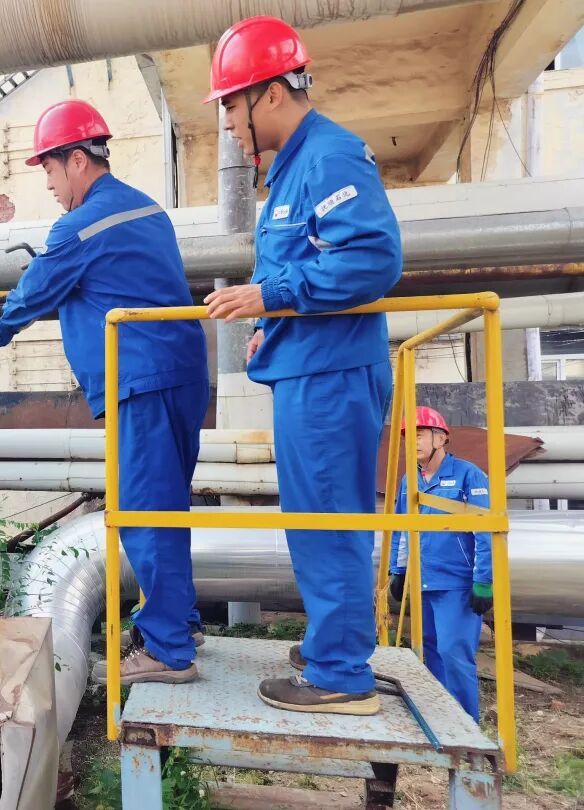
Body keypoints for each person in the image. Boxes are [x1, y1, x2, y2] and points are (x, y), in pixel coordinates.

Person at [202, 16, 402, 714]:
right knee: (315, 518)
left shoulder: (329, 156)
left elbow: (372, 260)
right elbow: (311, 268)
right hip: (311, 368)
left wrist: (272, 295)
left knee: (328, 520)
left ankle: (340, 674)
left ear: (270, 93)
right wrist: (270, 326)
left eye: (231, 104)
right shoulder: (292, 167)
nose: (228, 122)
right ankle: (332, 643)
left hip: (332, 376)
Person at [0, 100, 210, 684]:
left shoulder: (80, 225)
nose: (50, 185)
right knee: (166, 507)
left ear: (77, 160)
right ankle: (178, 624)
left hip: (141, 380)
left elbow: (36, 290)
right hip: (179, 374)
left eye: (49, 169)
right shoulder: (147, 209)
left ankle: (168, 651)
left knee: (145, 512)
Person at [388, 406, 492, 723]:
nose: (413, 442)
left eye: (419, 435)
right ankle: (440, 720)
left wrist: (484, 581)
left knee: (453, 652)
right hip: (423, 581)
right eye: (408, 437)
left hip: (456, 584)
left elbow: (485, 531)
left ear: (441, 438)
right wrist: (398, 570)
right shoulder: (410, 480)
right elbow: (402, 528)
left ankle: (467, 726)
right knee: (428, 650)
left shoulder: (468, 475)